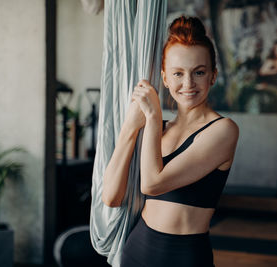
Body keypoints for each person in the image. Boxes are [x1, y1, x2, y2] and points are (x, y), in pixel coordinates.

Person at [101, 16, 239, 267]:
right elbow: (111, 197)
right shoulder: (158, 130)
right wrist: (130, 128)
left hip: (185, 257)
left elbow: (152, 184)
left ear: (213, 76)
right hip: (137, 250)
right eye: (178, 73)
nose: (188, 84)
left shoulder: (223, 130)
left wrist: (153, 117)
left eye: (199, 72)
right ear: (164, 78)